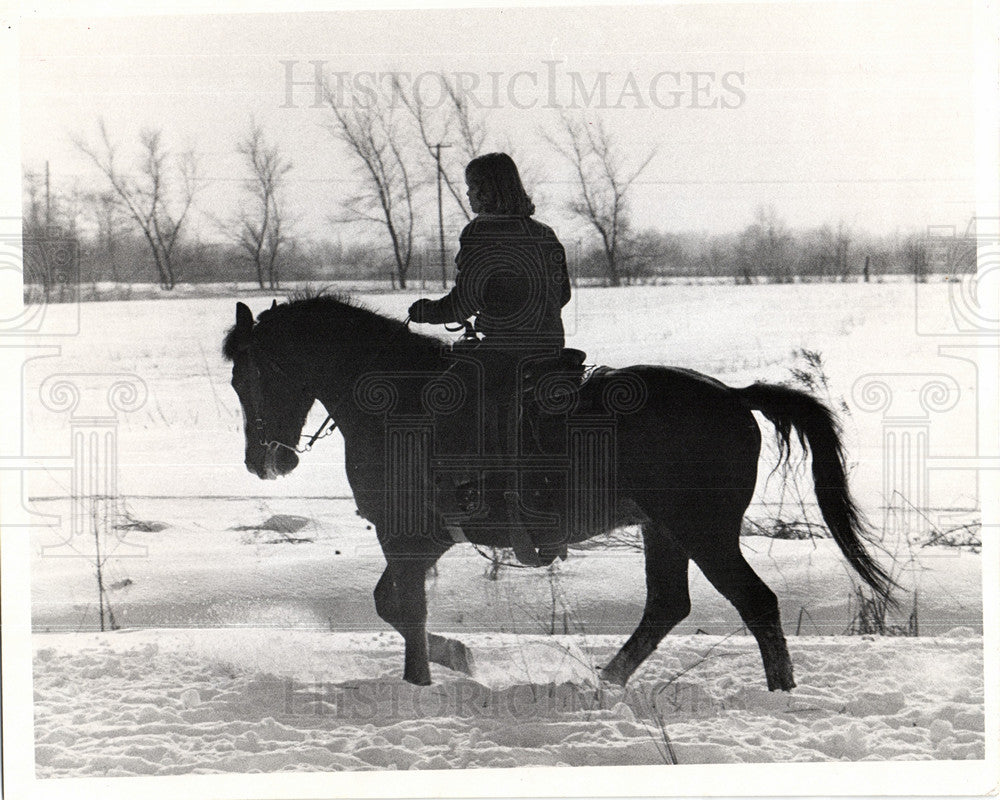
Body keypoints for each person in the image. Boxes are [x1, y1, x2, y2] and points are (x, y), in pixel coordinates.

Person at [408, 153, 573, 565]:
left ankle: (464, 492)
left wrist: (424, 311)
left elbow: (462, 304)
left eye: (473, 187)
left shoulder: (482, 232)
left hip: (505, 351)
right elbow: (563, 295)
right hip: (551, 349)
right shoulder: (545, 232)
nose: (469, 195)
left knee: (439, 396)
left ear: (489, 189)